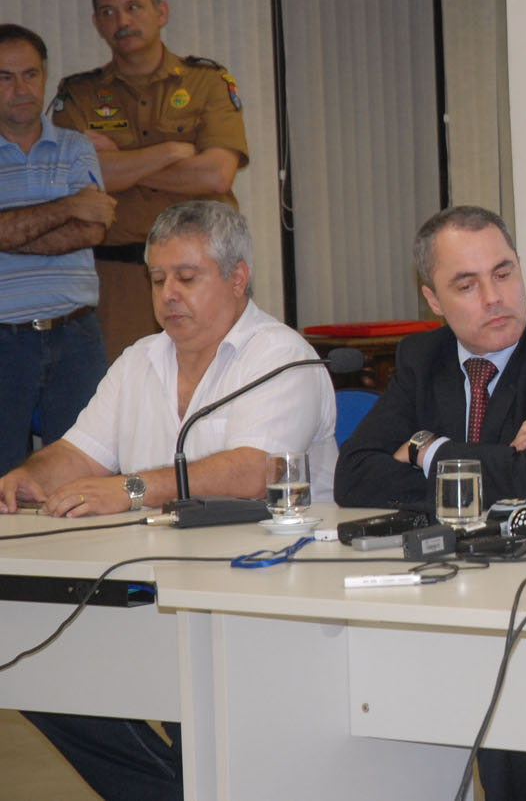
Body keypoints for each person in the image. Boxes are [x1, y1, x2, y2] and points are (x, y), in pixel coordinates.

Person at [0, 199, 337, 801]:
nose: (169, 295)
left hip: (268, 595)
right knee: (38, 667)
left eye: (187, 277)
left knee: (200, 729)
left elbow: (254, 471)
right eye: (158, 279)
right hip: (155, 587)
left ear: (238, 278)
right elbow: (79, 452)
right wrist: (29, 475)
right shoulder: (140, 361)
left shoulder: (281, 357)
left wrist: (130, 488)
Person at [334, 204, 526, 801]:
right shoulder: (421, 358)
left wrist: (424, 449)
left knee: (497, 671)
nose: (494, 297)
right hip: (436, 589)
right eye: (466, 285)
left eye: (504, 273)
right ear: (432, 300)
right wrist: (494, 459)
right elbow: (354, 477)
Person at [51, 0, 249, 360]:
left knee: (217, 380)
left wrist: (119, 165)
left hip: (203, 272)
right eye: (108, 12)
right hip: (117, 279)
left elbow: (216, 175)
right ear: (97, 23)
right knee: (126, 387)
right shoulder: (79, 94)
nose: (122, 21)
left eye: (133, 7)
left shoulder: (207, 82)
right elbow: (80, 178)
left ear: (161, 12)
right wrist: (170, 151)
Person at [0, 25, 114, 473]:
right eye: (5, 77)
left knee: (82, 471)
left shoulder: (76, 147)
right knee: (4, 476)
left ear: (45, 76)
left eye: (30, 74)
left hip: (76, 336)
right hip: (4, 341)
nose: (21, 89)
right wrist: (67, 206)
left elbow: (92, 230)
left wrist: (11, 231)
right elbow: (77, 217)